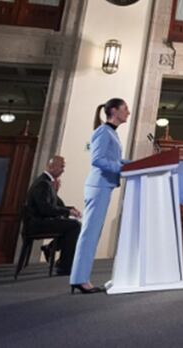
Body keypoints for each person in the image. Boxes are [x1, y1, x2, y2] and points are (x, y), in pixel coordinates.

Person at [69, 98, 130, 294]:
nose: (128, 112)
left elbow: (112, 159)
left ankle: (80, 277)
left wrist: (132, 164)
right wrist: (121, 168)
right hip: (98, 186)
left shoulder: (111, 133)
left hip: (103, 186)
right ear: (114, 111)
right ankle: (80, 279)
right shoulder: (103, 132)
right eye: (125, 109)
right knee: (90, 234)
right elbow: (97, 160)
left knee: (91, 233)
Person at [25, 156, 82, 276]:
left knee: (71, 225)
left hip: (41, 221)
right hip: (37, 223)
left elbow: (55, 204)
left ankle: (52, 250)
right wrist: (67, 212)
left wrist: (70, 209)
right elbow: (45, 209)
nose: (63, 170)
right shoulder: (43, 183)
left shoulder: (48, 182)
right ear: (51, 167)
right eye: (61, 166)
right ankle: (64, 266)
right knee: (75, 226)